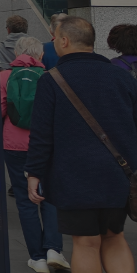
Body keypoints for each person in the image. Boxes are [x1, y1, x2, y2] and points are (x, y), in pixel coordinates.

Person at [27, 16, 137, 273]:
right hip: (118, 174)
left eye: (54, 39)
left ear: (64, 41)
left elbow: (42, 134)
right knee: (114, 237)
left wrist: (34, 172)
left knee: (86, 243)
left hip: (75, 177)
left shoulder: (51, 80)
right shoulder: (122, 78)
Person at [1, 36, 68, 273]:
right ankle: (53, 249)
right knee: (49, 196)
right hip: (46, 145)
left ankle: (37, 258)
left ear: (17, 54)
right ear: (40, 55)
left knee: (24, 199)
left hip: (14, 145)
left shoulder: (4, 76)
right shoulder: (52, 77)